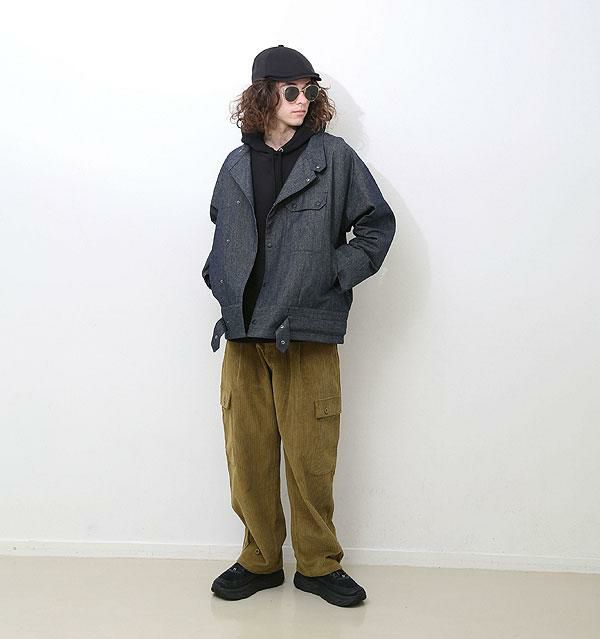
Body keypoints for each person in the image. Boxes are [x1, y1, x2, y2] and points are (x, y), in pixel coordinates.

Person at [204, 45, 396, 607]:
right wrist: (219, 278)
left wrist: (331, 275)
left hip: (306, 333)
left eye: (310, 90)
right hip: (244, 335)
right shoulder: (234, 165)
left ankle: (318, 564)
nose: (303, 100)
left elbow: (377, 227)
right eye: (291, 90)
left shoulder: (333, 158)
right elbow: (221, 231)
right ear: (262, 95)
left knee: (312, 457)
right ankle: (259, 559)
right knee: (248, 456)